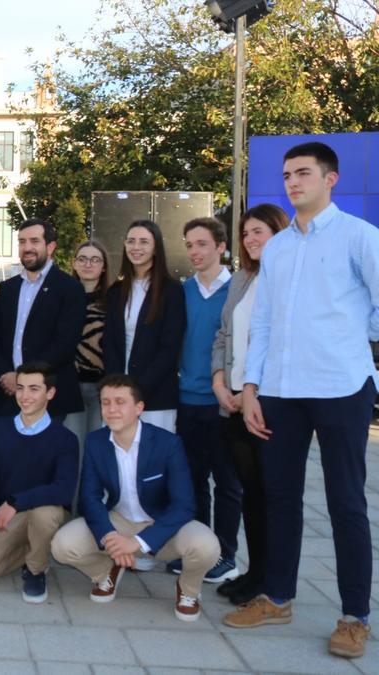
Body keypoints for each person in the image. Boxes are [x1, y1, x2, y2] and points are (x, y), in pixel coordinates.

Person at [224, 142, 379, 660]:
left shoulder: (359, 238)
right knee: (280, 497)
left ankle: (355, 616)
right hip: (281, 393)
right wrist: (250, 388)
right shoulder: (281, 247)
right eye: (287, 174)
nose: (293, 182)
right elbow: (263, 322)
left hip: (341, 388)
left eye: (304, 173)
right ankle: (278, 596)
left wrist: (350, 347)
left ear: (330, 179)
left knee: (346, 502)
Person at [50, 374, 220, 622]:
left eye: (120, 402)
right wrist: (109, 537)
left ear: (139, 408)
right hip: (119, 519)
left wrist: (139, 543)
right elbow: (90, 497)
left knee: (207, 546)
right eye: (106, 402)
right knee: (63, 546)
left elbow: (184, 506)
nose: (111, 409)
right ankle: (106, 572)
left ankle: (189, 590)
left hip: (161, 524)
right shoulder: (96, 442)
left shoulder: (168, 444)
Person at [208, 204, 288, 606]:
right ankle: (255, 573)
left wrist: (251, 392)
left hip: (268, 405)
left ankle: (272, 581)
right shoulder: (242, 279)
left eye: (260, 232)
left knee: (272, 495)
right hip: (232, 403)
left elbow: (283, 343)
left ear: (280, 233)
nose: (251, 240)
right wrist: (221, 383)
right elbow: (224, 335)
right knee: (251, 494)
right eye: (246, 233)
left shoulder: (288, 280)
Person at [0, 363, 78, 602]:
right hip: (9, 518)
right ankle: (30, 550)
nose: (25, 396)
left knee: (43, 515)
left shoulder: (65, 439)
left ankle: (36, 569)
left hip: (47, 513)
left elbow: (63, 491)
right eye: (21, 388)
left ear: (50, 393)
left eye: (34, 389)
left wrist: (15, 502)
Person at [172, 217, 241, 584]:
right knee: (194, 479)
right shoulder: (183, 291)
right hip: (187, 400)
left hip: (224, 402)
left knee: (227, 482)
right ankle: (198, 551)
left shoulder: (238, 291)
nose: (194, 251)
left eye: (201, 244)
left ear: (221, 247)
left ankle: (226, 554)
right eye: (189, 244)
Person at [0, 218, 86, 419]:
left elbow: (64, 344)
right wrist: (7, 375)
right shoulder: (7, 289)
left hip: (49, 397)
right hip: (5, 393)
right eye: (22, 242)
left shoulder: (69, 289)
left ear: (50, 247)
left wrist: (24, 380)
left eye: (34, 241)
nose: (27, 247)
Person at [102, 220, 185, 432]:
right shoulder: (115, 292)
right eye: (131, 241)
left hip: (156, 396)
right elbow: (110, 343)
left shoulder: (172, 291)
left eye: (143, 242)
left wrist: (138, 389)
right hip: (118, 395)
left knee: (153, 461)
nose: (136, 247)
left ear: (155, 247)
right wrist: (118, 387)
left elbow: (169, 347)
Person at [66, 240, 111, 443]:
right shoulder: (62, 298)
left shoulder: (115, 300)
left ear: (103, 267)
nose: (88, 264)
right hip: (71, 386)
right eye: (82, 259)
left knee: (98, 446)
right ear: (74, 264)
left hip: (104, 386)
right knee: (75, 447)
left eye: (95, 259)